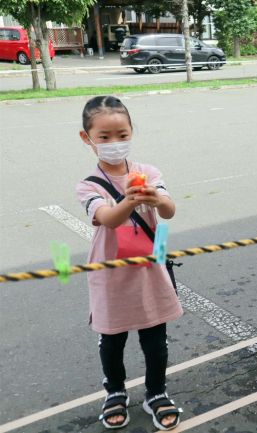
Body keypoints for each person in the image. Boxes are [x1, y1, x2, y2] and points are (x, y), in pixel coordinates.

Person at [75, 96, 183, 431]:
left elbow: (168, 211)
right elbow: (107, 218)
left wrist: (156, 198)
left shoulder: (148, 173)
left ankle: (156, 392)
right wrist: (130, 199)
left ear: (132, 132)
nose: (114, 143)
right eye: (104, 137)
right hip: (111, 272)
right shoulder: (88, 185)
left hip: (148, 267)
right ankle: (115, 391)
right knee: (112, 338)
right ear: (87, 138)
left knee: (155, 337)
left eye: (121, 135)